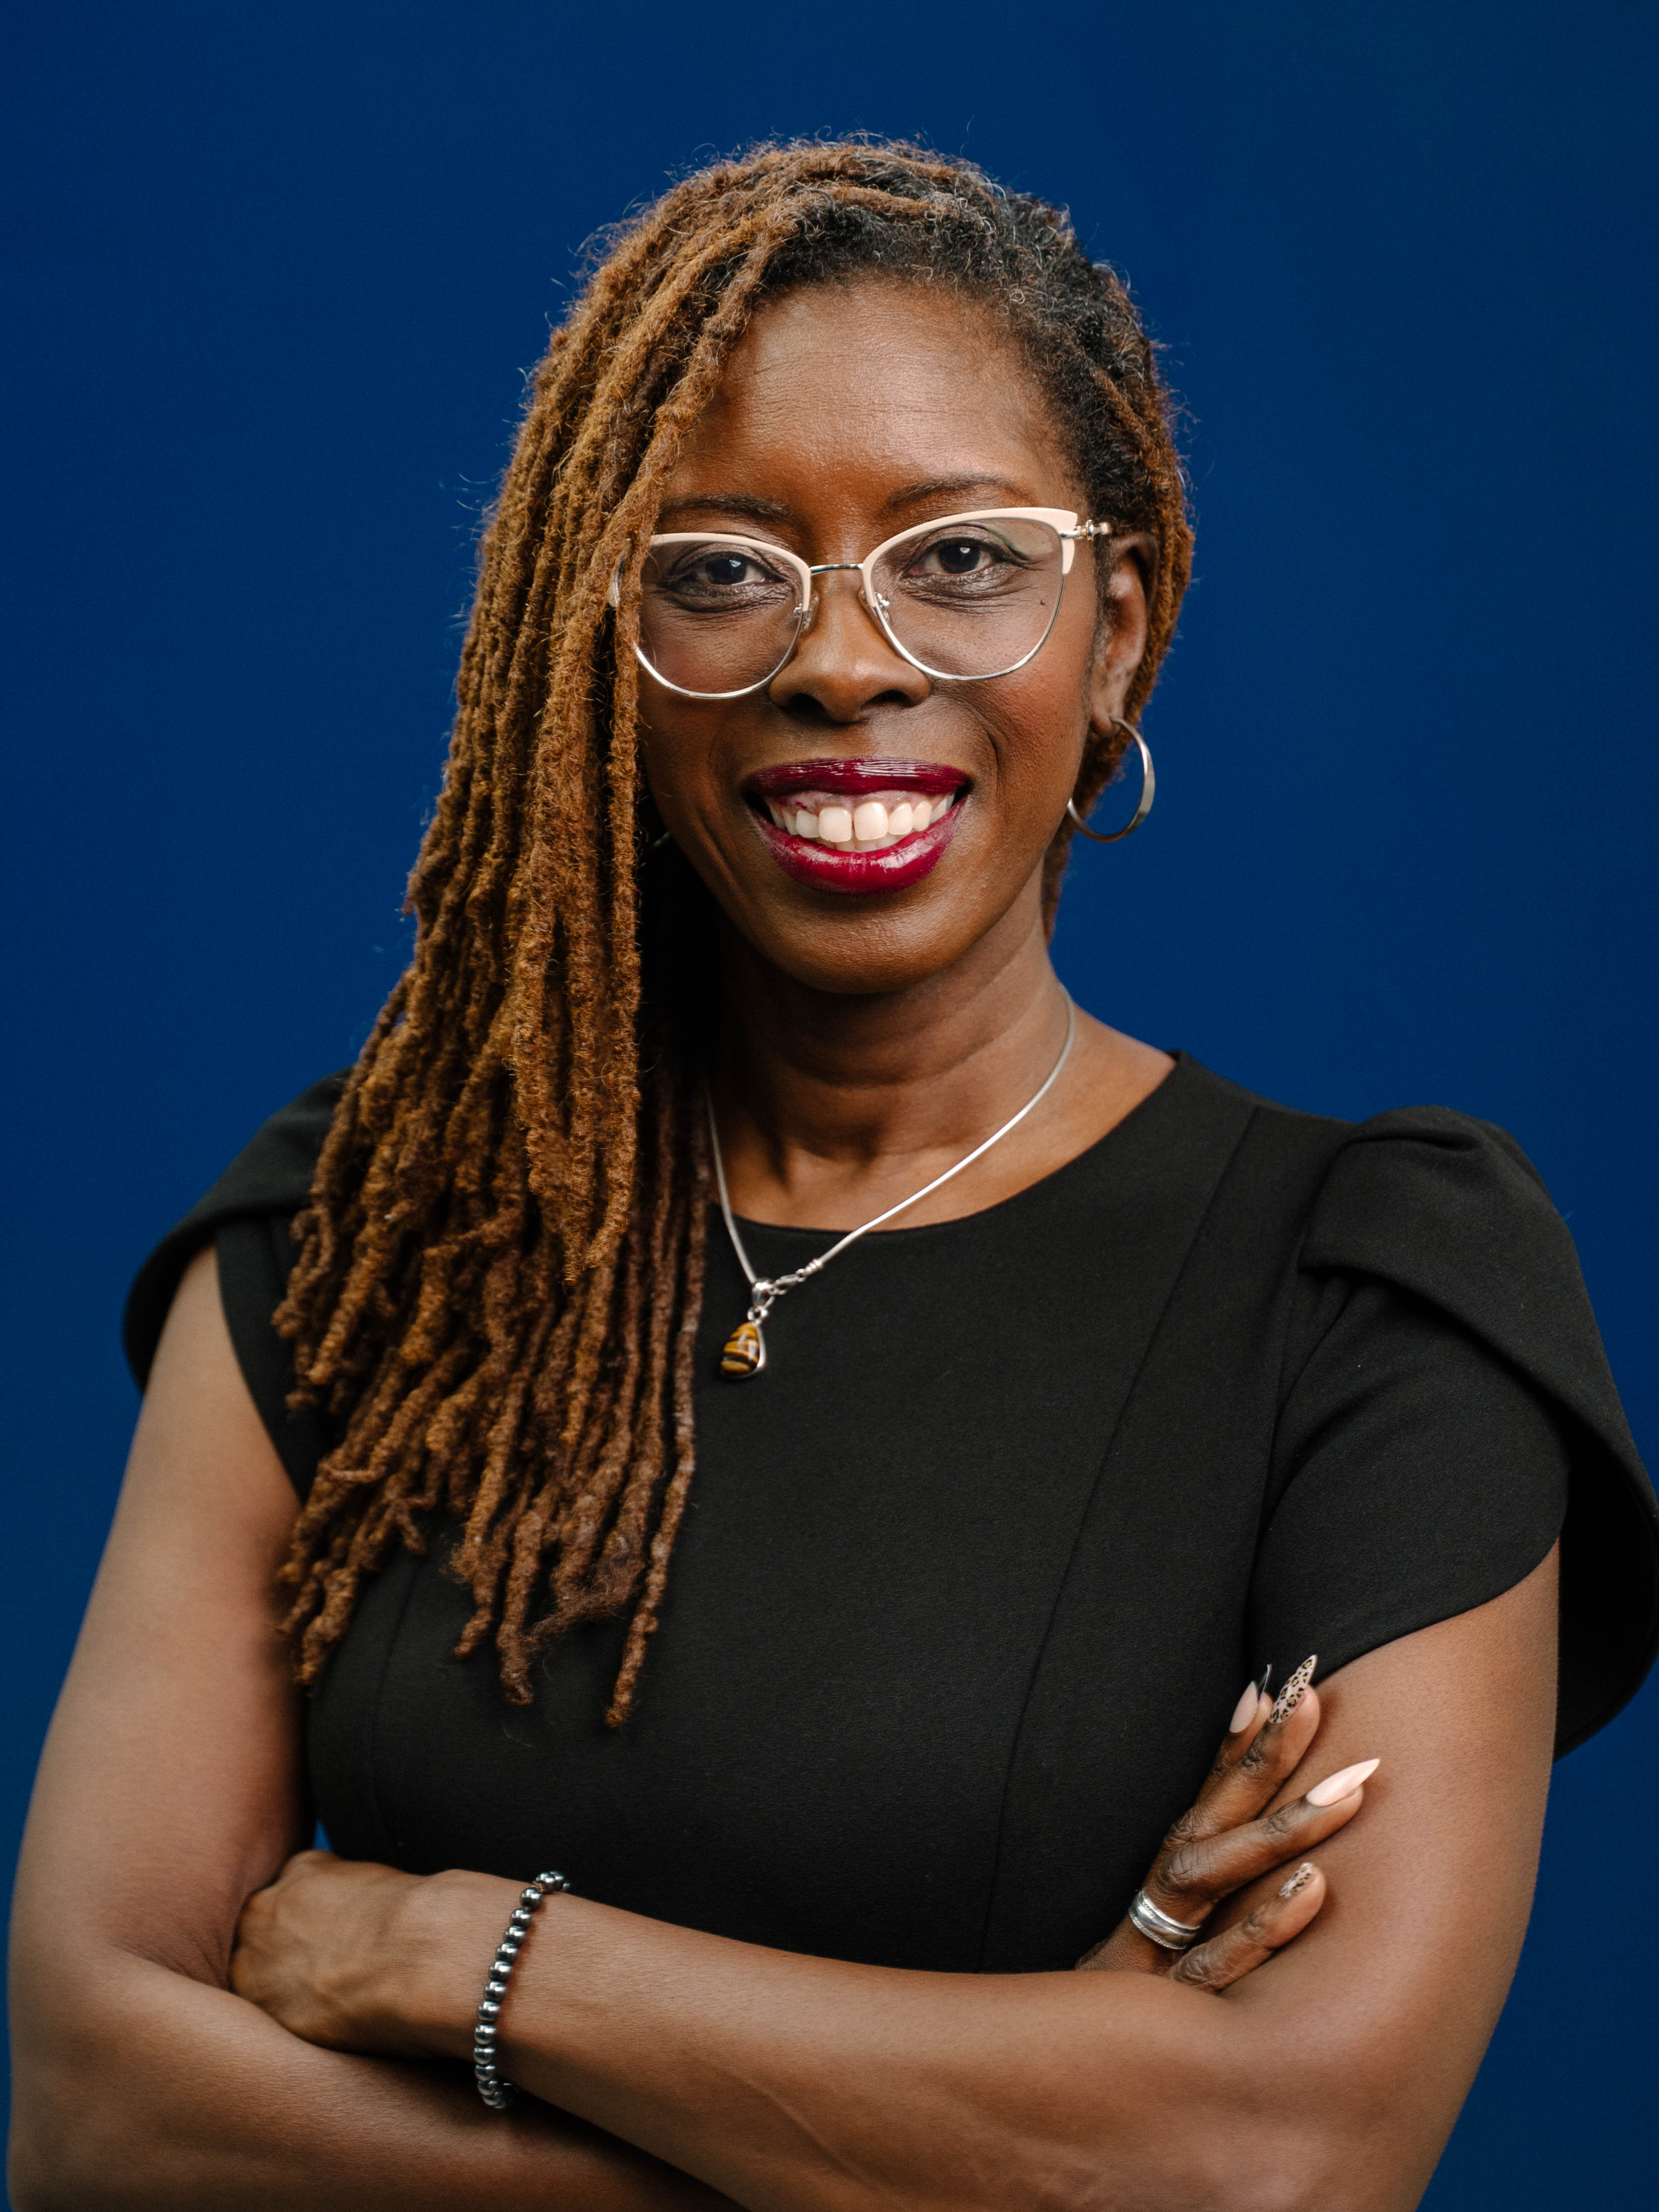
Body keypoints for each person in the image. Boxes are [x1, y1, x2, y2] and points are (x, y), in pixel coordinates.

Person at [9, 141, 1656, 2212]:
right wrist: (1011, 2139)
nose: (843, 659)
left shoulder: (1371, 1302)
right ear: (601, 643)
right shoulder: (365, 1246)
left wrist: (470, 1957)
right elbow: (99, 2115)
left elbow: (1281, 2158)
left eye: (960, 556)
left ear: (1117, 630)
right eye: (720, 568)